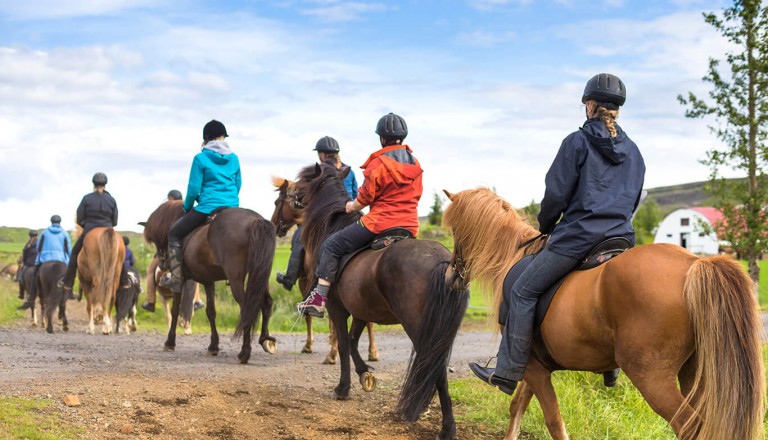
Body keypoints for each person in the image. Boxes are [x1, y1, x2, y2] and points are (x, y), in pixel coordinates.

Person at [468, 73, 645, 395]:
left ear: (589, 105)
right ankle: (610, 370)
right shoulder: (634, 151)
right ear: (617, 109)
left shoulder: (577, 142)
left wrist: (546, 227)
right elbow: (633, 199)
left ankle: (507, 372)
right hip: (621, 239)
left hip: (580, 238)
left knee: (522, 290)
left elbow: (556, 195)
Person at [296, 113, 423, 317]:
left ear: (381, 138)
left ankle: (318, 300)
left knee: (331, 245)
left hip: (379, 223)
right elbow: (417, 194)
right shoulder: (415, 164)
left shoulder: (378, 163)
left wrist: (351, 207)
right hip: (409, 225)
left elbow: (366, 196)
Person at [158, 120, 241, 293]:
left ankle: (176, 278)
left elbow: (193, 189)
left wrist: (188, 207)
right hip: (232, 208)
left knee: (173, 233)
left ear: (206, 138)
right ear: (223, 137)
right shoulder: (234, 158)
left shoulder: (200, 158)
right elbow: (238, 184)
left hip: (207, 207)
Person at [275, 136, 359, 291]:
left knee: (299, 238)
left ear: (324, 155)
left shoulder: (319, 171)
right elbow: (355, 193)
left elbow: (308, 195)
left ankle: (289, 278)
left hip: (326, 217)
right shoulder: (349, 171)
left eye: (319, 154)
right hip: (349, 214)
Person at [142, 190, 205, 312]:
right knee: (195, 271)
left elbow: (161, 235)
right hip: (187, 248)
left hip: (169, 249)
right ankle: (197, 299)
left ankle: (150, 301)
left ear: (169, 198)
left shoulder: (166, 210)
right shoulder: (188, 207)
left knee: (150, 270)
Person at [58, 172, 118, 294]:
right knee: (118, 256)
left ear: (93, 184)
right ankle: (124, 280)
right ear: (105, 185)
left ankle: (68, 282)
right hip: (108, 229)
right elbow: (115, 221)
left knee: (74, 253)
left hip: (90, 229)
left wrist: (87, 225)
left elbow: (79, 218)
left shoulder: (87, 198)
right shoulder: (111, 200)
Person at [19, 216, 71, 310]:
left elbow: (39, 247)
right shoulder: (65, 233)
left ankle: (31, 297)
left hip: (45, 259)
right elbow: (68, 248)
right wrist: (69, 259)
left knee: (34, 276)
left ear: (51, 221)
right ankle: (70, 293)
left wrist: (42, 254)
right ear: (60, 222)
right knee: (69, 276)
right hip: (61, 259)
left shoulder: (44, 233)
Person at [16, 229, 39, 302]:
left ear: (29, 236)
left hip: (29, 265)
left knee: (20, 278)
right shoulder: (40, 244)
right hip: (39, 264)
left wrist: (24, 262)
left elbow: (24, 256)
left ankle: (21, 294)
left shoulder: (28, 245)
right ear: (37, 235)